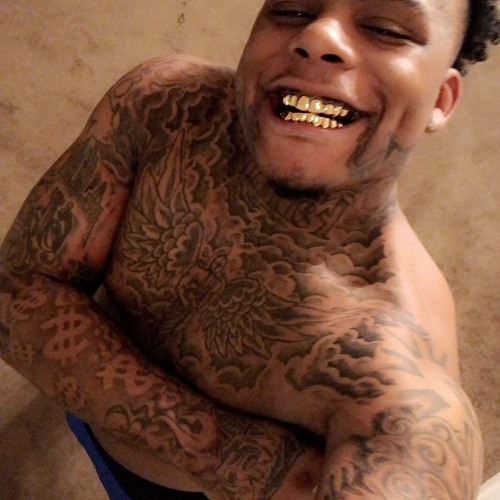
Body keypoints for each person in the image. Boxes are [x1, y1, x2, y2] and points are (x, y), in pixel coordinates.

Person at [1, 0, 499, 498]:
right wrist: (226, 454)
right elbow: (16, 290)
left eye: (385, 29)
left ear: (441, 100)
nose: (319, 37)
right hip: (89, 420)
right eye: (293, 9)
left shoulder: (404, 390)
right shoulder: (164, 109)